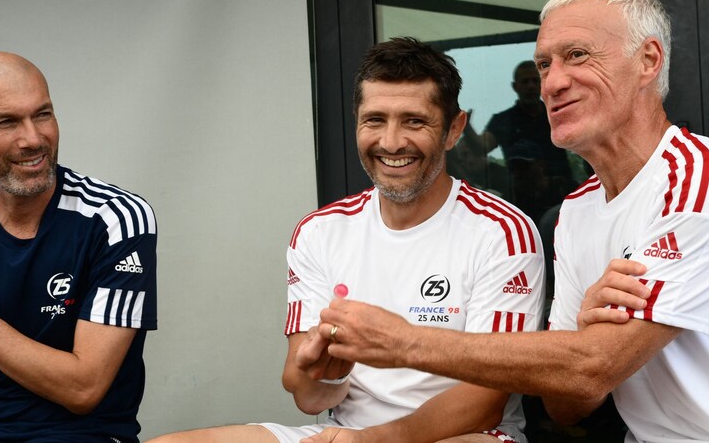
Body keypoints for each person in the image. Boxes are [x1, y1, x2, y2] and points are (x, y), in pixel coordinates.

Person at [316, 0, 709, 442]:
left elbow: (589, 370)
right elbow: (565, 406)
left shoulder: (699, 179)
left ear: (648, 60)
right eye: (543, 65)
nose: (552, 83)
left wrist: (405, 341)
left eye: (576, 55)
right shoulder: (575, 213)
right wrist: (587, 330)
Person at [147, 37, 544, 443]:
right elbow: (307, 396)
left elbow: (485, 399)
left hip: (470, 435)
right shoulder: (320, 231)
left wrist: (373, 440)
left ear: (453, 129)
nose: (391, 142)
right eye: (374, 120)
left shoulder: (502, 231)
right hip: (346, 434)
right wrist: (325, 376)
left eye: (414, 121)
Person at [0, 52, 158, 442]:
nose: (33, 139)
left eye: (42, 114)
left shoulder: (117, 218)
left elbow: (83, 389)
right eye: (7, 122)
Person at [463, 61, 578, 223]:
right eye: (525, 81)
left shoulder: (559, 113)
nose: (530, 86)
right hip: (520, 199)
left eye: (534, 81)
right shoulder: (504, 120)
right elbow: (481, 147)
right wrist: (464, 126)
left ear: (542, 84)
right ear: (515, 87)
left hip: (562, 195)